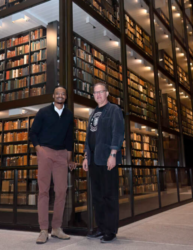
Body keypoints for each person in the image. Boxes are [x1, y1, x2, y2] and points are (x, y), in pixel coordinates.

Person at [29, 86, 77, 244]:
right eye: (58, 93)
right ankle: (43, 229)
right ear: (53, 95)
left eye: (63, 93)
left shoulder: (69, 115)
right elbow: (33, 133)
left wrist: (69, 159)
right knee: (43, 191)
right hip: (45, 152)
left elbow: (70, 138)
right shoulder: (43, 112)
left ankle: (56, 228)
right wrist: (40, 151)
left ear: (65, 97)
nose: (61, 96)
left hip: (62, 155)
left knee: (61, 191)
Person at [82, 82, 124, 243]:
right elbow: (88, 138)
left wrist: (113, 153)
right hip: (94, 161)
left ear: (107, 93)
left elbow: (118, 132)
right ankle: (101, 228)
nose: (98, 95)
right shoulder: (93, 113)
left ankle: (111, 231)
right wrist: (86, 156)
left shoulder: (114, 110)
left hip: (107, 160)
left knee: (109, 196)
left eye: (101, 92)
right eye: (95, 93)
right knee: (97, 197)